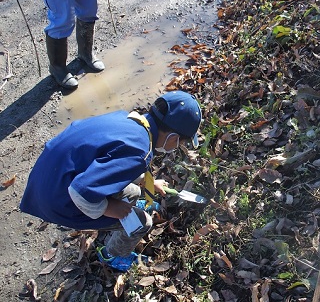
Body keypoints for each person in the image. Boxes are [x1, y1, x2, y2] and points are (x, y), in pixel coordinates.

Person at [19, 90, 202, 271]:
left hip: (48, 179)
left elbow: (113, 160)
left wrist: (148, 182)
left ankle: (125, 205)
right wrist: (111, 208)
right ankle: (111, 255)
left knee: (135, 192)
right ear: (173, 138)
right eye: (182, 143)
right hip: (60, 200)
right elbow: (79, 191)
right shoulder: (140, 153)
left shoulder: (129, 119)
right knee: (142, 223)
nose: (179, 147)